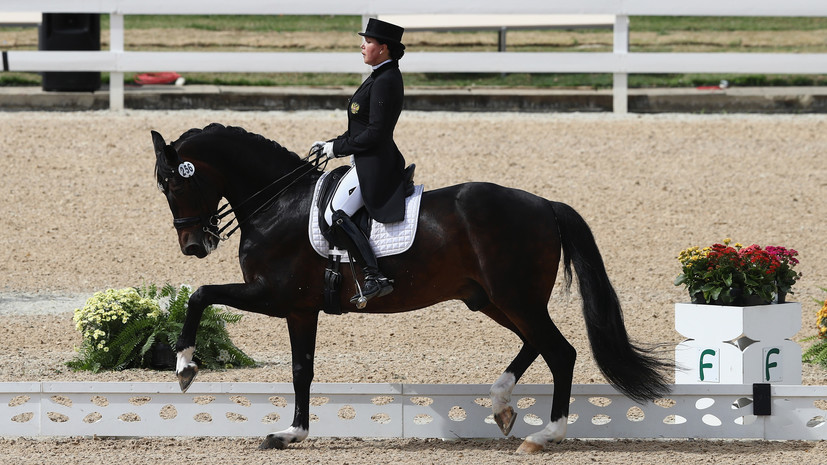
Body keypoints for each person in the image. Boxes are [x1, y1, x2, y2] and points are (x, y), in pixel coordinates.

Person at [312, 18, 408, 306]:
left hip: (374, 164)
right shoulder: (379, 75)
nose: (362, 46)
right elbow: (360, 126)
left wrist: (336, 149)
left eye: (368, 42)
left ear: (384, 48)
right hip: (366, 158)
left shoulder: (386, 80)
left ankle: (373, 274)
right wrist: (331, 143)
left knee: (333, 215)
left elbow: (376, 133)